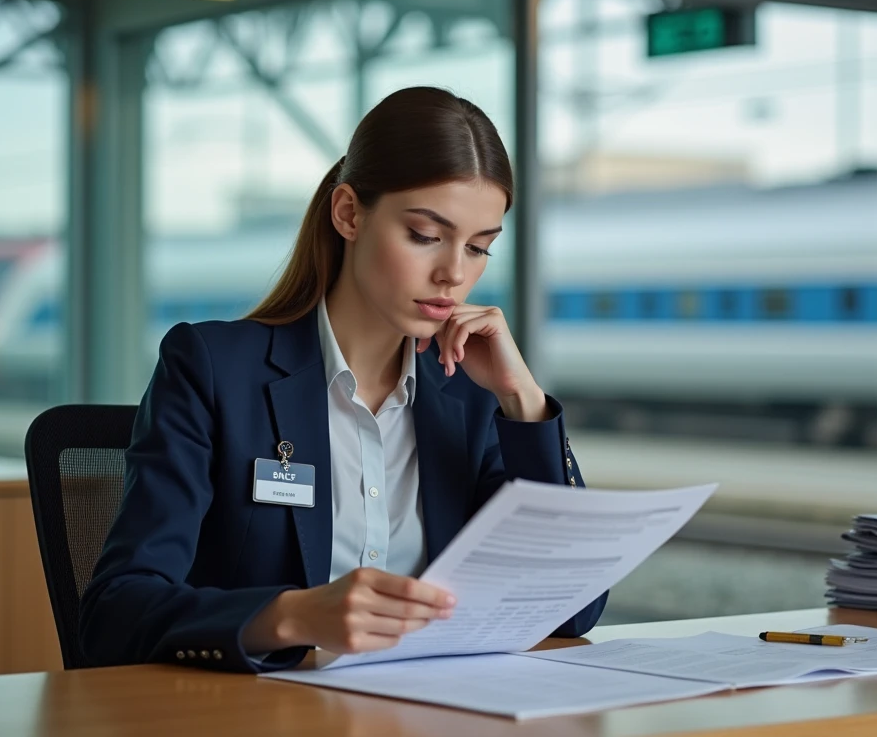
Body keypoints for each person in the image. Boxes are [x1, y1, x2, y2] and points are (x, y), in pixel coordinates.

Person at [79, 86, 607, 674]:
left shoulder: (469, 395)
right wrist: (293, 616)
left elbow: (574, 610)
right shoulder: (211, 367)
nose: (454, 273)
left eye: (480, 248)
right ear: (349, 213)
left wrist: (523, 403)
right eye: (425, 236)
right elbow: (115, 612)